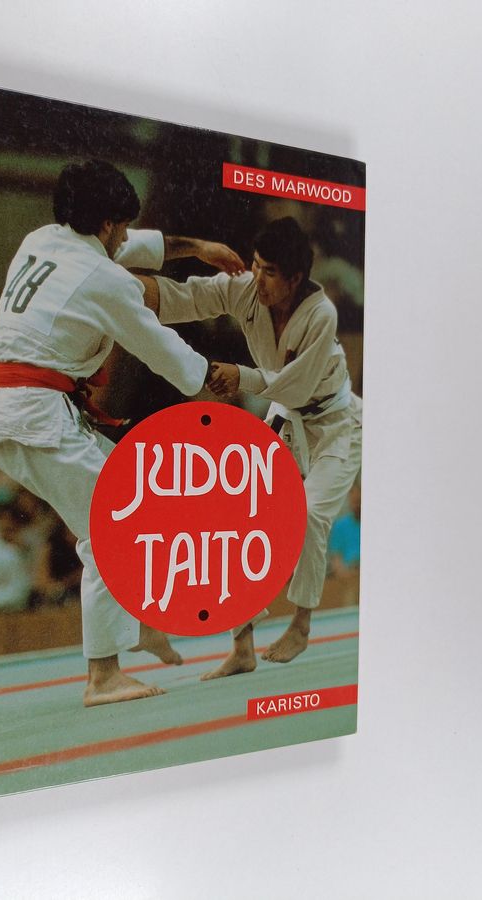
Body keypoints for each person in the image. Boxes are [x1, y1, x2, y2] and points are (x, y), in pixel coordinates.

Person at [0, 159, 244, 705]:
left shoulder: (42, 239)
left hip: (29, 411)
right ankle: (103, 676)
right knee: (110, 530)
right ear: (106, 223)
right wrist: (216, 380)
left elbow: (125, 247)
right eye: (121, 226)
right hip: (36, 417)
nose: (123, 237)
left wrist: (198, 247)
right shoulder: (105, 280)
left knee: (134, 499)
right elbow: (162, 348)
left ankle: (141, 624)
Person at [138, 216, 362, 678]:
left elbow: (297, 386)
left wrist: (241, 376)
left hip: (337, 423)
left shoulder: (321, 315)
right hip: (288, 415)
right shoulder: (248, 289)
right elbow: (189, 296)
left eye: (270, 272)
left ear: (295, 278)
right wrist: (121, 292)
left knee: (311, 513)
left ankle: (301, 625)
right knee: (237, 514)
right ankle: (242, 646)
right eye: (256, 266)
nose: (257, 279)